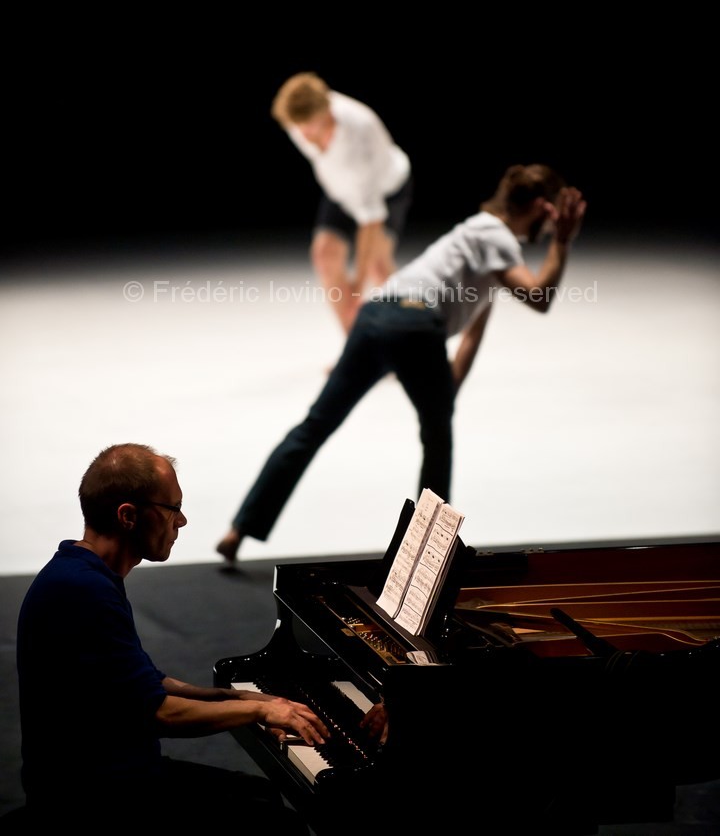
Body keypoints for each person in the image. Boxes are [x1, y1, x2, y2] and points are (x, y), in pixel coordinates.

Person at [215, 163, 587, 564]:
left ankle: (239, 530)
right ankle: (426, 556)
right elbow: (540, 297)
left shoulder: (476, 237)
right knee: (437, 443)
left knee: (315, 426)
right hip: (413, 322)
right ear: (539, 207)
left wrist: (444, 397)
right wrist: (563, 244)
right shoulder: (496, 236)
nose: (546, 233)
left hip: (376, 314)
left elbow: (474, 333)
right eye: (548, 223)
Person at [15, 443, 387, 828]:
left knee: (259, 796)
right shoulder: (82, 592)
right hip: (91, 798)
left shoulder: (85, 573)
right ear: (128, 516)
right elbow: (157, 713)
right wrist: (259, 709)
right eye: (172, 509)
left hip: (107, 775)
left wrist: (235, 695)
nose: (182, 521)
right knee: (277, 825)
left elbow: (144, 684)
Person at [271, 71, 413, 335]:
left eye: (309, 125)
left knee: (377, 267)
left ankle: (412, 341)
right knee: (324, 256)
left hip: (385, 189)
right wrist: (348, 297)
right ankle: (356, 349)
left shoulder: (359, 130)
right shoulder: (298, 119)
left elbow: (372, 219)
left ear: (327, 113)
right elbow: (306, 130)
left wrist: (357, 285)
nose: (303, 133)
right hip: (340, 189)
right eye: (297, 126)